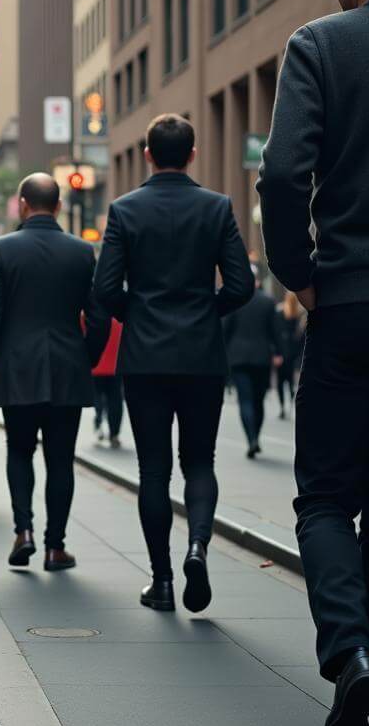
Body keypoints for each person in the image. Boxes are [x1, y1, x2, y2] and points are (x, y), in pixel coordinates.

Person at [257, 0, 369, 726]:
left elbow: (283, 168)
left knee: (327, 495)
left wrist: (297, 273)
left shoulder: (322, 46)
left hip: (349, 304)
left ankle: (351, 652)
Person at [95, 113, 253, 614]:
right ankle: (198, 546)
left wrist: (139, 314)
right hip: (202, 355)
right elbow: (242, 285)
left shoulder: (124, 210)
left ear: (146, 154)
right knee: (199, 462)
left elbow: (104, 290)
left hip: (144, 357)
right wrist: (206, 313)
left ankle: (162, 582)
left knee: (154, 470)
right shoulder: (217, 207)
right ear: (192, 154)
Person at [0, 174, 109, 571]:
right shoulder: (82, 251)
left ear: (22, 204)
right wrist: (85, 357)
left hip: (17, 367)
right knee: (60, 459)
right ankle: (56, 547)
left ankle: (24, 531)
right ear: (57, 206)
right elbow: (99, 317)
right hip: (67, 366)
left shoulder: (2, 249)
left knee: (19, 450)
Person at [223, 273, 284, 459]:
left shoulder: (235, 302)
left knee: (246, 400)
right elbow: (276, 331)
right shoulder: (267, 302)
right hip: (261, 358)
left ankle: (251, 438)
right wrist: (279, 353)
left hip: (238, 358)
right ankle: (256, 436)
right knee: (258, 400)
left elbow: (225, 330)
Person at [92, 318, 124, 448]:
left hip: (97, 366)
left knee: (98, 397)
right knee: (116, 399)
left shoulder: (96, 316)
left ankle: (99, 423)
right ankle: (114, 433)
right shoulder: (121, 320)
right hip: (116, 366)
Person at [274, 292, 304, 420]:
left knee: (280, 381)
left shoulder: (280, 313)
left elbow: (276, 332)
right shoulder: (298, 315)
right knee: (290, 380)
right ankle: (291, 401)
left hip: (282, 352)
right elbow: (301, 337)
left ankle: (282, 406)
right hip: (293, 353)